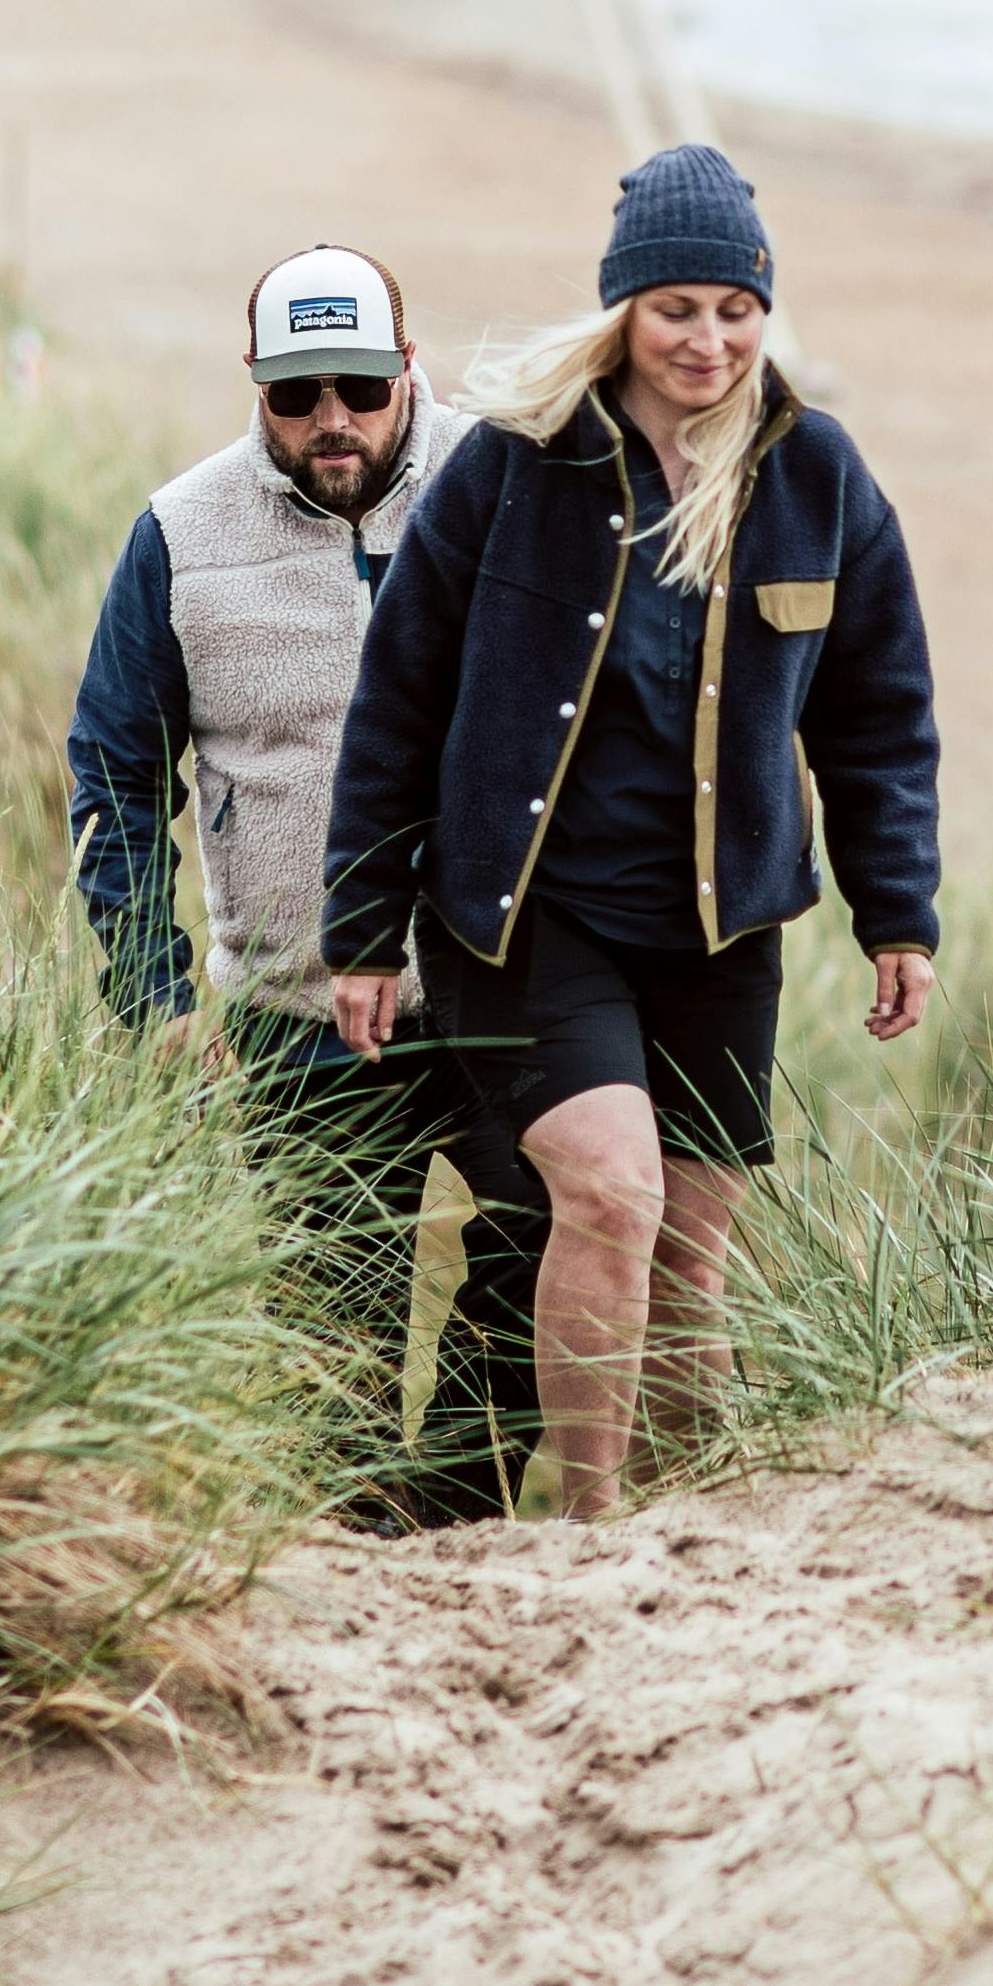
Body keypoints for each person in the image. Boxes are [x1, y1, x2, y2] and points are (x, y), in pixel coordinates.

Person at [322, 145, 942, 1521]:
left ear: (765, 312)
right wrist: (362, 925)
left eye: (735, 308)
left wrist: (896, 909)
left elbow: (879, 710)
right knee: (609, 1193)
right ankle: (592, 1539)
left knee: (692, 1258)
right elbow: (400, 695)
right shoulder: (513, 466)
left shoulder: (815, 476)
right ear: (622, 314)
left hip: (720, 933)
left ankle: (692, 1529)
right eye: (676, 308)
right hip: (529, 915)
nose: (708, 340)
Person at [67, 240, 537, 1524]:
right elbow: (115, 770)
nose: (333, 419)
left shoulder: (508, 488)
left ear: (407, 368)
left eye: (359, 386)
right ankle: (353, 1558)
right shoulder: (178, 535)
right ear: (253, 385)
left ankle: (453, 1528)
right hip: (298, 1011)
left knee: (536, 1256)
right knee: (329, 1323)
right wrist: (155, 989)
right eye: (296, 392)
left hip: (508, 980)